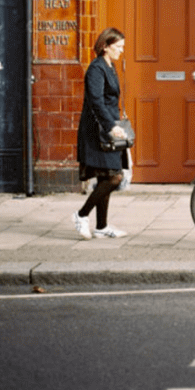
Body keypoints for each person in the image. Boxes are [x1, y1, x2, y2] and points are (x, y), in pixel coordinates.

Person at [72, 27, 129, 240]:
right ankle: (81, 215)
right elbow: (95, 101)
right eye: (118, 46)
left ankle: (102, 227)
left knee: (107, 175)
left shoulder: (109, 66)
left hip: (107, 128)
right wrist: (110, 126)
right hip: (97, 131)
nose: (121, 51)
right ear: (105, 46)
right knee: (115, 176)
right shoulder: (96, 69)